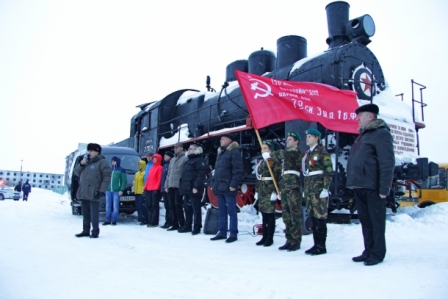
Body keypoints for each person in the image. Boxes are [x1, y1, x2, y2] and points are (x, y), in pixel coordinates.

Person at [346, 103, 395, 266]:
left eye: (361, 115)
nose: (358, 119)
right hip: (360, 186)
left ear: (371, 116)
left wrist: (384, 189)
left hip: (373, 187)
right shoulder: (363, 135)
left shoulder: (381, 134)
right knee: (366, 222)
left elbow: (387, 162)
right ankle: (368, 251)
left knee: (376, 222)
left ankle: (378, 253)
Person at [262, 132, 303, 252]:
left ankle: (296, 240)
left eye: (290, 139)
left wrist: (270, 154)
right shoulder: (287, 154)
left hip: (293, 186)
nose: (287, 141)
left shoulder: (296, 153)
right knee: (286, 215)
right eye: (287, 139)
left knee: (294, 214)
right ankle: (289, 239)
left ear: (296, 142)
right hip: (285, 186)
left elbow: (283, 154)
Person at [302, 128, 333, 255]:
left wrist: (325, 188)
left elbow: (328, 170)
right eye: (307, 136)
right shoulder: (308, 153)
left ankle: (321, 246)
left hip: (319, 189)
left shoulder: (322, 152)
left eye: (310, 136)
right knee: (313, 218)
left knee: (320, 217)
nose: (307, 138)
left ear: (317, 138)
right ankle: (316, 244)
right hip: (310, 190)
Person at [210, 133, 243, 243]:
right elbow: (218, 171)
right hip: (220, 186)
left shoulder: (234, 152)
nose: (220, 141)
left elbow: (237, 170)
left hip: (229, 187)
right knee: (222, 211)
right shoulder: (221, 153)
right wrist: (214, 184)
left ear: (229, 140)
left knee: (232, 211)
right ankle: (222, 231)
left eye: (222, 139)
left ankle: (233, 233)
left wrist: (233, 184)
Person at [74, 143, 111, 238]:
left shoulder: (102, 162)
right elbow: (76, 173)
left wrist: (102, 190)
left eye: (91, 151)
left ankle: (95, 231)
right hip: (84, 191)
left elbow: (106, 177)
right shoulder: (86, 162)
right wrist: (82, 164)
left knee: (94, 214)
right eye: (88, 151)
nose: (89, 153)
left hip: (95, 191)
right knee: (85, 213)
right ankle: (85, 230)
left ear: (97, 152)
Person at [254, 141, 281, 247]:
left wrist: (275, 191)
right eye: (262, 148)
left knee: (270, 215)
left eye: (265, 148)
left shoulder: (274, 161)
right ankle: (264, 236)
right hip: (262, 190)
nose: (263, 150)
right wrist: (256, 191)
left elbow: (278, 177)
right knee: (264, 215)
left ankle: (270, 238)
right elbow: (259, 178)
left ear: (270, 149)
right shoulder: (262, 161)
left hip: (270, 190)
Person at [179, 144, 207, 235]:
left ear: (196, 150)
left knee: (196, 209)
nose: (189, 150)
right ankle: (188, 226)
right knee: (187, 208)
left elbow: (201, 175)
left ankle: (197, 227)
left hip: (194, 189)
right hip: (187, 188)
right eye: (189, 149)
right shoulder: (188, 161)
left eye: (191, 149)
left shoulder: (199, 160)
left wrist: (196, 187)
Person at [164, 143, 187, 231]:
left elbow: (184, 174)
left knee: (178, 205)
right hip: (170, 185)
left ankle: (182, 223)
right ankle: (174, 223)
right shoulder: (172, 160)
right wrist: (166, 185)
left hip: (178, 186)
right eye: (174, 148)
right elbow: (168, 174)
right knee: (172, 205)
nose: (175, 149)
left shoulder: (185, 158)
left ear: (181, 148)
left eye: (177, 147)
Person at [103, 156, 127, 226]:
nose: (112, 162)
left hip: (116, 191)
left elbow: (123, 181)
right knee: (108, 206)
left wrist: (121, 190)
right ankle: (107, 220)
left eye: (114, 161)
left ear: (117, 161)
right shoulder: (110, 170)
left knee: (115, 206)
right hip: (108, 190)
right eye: (112, 161)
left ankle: (114, 220)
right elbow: (106, 180)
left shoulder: (121, 170)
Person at [144, 154, 163, 227]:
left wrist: (157, 188)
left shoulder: (160, 168)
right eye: (153, 158)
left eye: (155, 158)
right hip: (149, 188)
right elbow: (148, 179)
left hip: (155, 189)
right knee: (149, 205)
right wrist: (145, 188)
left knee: (154, 206)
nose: (154, 160)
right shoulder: (151, 168)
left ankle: (154, 222)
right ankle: (149, 220)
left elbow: (159, 179)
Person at [160, 151, 174, 228]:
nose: (164, 157)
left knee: (169, 206)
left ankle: (170, 221)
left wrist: (166, 186)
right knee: (167, 206)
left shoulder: (170, 165)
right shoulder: (165, 165)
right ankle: (167, 221)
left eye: (166, 155)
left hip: (167, 188)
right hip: (164, 188)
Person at [133, 159, 147, 225]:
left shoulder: (145, 173)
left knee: (142, 206)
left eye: (140, 164)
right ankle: (140, 218)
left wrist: (144, 190)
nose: (139, 166)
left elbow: (145, 182)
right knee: (138, 206)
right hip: (137, 192)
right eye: (138, 164)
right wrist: (134, 190)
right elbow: (134, 182)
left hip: (142, 192)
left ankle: (144, 219)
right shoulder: (137, 173)